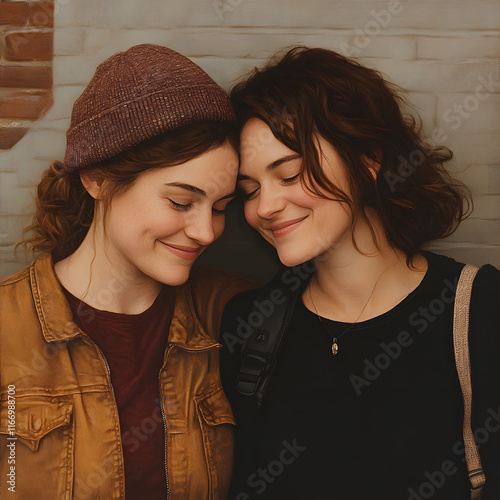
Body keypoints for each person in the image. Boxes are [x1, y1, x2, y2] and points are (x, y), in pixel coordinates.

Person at [220, 47, 500, 499]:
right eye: (249, 190)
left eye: (289, 174)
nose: (265, 207)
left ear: (368, 158)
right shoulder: (248, 324)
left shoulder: (481, 310)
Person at [0, 44, 256, 500]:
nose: (205, 232)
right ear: (96, 178)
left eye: (220, 208)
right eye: (180, 202)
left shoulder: (235, 312)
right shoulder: (6, 326)